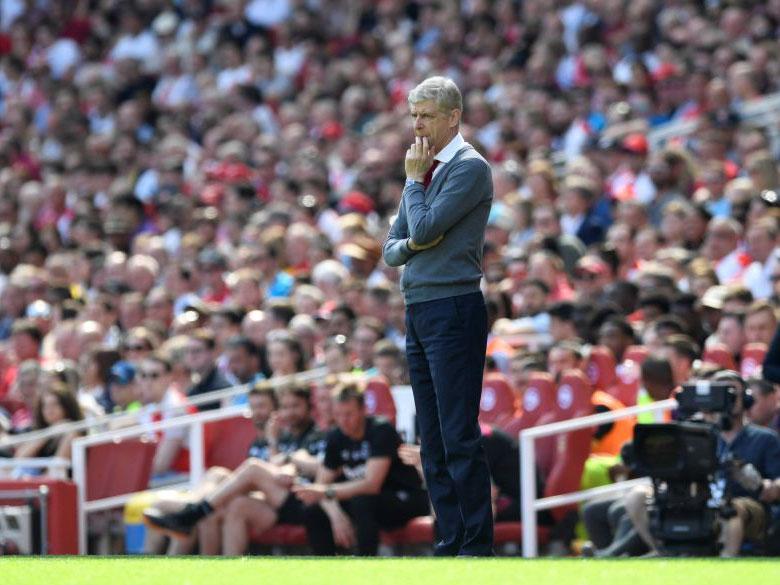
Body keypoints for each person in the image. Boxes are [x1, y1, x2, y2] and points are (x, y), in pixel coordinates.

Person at [382, 75, 494, 556]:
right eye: (414, 115)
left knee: (457, 433)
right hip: (420, 307)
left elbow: (424, 224)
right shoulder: (424, 167)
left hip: (452, 305)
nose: (418, 125)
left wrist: (412, 182)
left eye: (426, 115)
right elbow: (394, 248)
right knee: (432, 437)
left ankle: (475, 546)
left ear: (453, 116)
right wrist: (413, 244)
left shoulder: (468, 168)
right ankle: (449, 542)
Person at [293, 383, 429, 556]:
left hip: (404, 498)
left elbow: (371, 484)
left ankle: (365, 567)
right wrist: (335, 515)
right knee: (314, 511)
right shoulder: (337, 436)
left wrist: (326, 493)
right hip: (369, 501)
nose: (343, 420)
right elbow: (320, 486)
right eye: (338, 415)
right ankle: (325, 571)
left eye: (349, 414)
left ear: (364, 410)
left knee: (362, 501)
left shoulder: (380, 430)